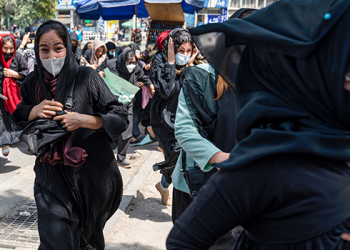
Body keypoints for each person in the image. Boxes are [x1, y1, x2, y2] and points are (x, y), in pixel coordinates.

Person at [166, 0, 350, 249]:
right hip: (200, 176)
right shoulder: (200, 77)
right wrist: (225, 159)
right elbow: (185, 130)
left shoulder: (277, 99)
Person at [12, 20, 128, 249]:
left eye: (58, 48)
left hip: (91, 176)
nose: (51, 55)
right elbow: (17, 117)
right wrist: (33, 111)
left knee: (86, 240)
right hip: (50, 177)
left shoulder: (87, 77)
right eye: (44, 49)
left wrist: (84, 120)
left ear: (67, 47)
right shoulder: (32, 83)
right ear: (36, 51)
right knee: (55, 238)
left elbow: (120, 117)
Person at [150, 28, 207, 206]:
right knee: (176, 152)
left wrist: (189, 63)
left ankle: (163, 184)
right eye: (181, 50)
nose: (185, 54)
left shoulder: (191, 63)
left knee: (183, 155)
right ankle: (168, 187)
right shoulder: (159, 60)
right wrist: (171, 62)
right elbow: (166, 90)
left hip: (182, 115)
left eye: (188, 51)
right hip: (162, 118)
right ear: (172, 47)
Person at [97, 49, 152, 168]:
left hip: (128, 102)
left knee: (127, 129)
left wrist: (150, 84)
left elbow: (143, 77)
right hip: (112, 102)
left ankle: (121, 158)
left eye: (134, 62)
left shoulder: (136, 68)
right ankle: (106, 156)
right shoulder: (111, 63)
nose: (132, 65)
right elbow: (97, 71)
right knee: (110, 128)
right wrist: (99, 74)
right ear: (122, 61)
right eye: (129, 62)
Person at [0, 35, 28, 157]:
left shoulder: (18, 57)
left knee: (13, 117)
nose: (8, 51)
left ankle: (14, 136)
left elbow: (27, 74)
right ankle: (4, 143)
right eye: (5, 48)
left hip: (14, 95)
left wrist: (15, 74)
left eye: (11, 48)